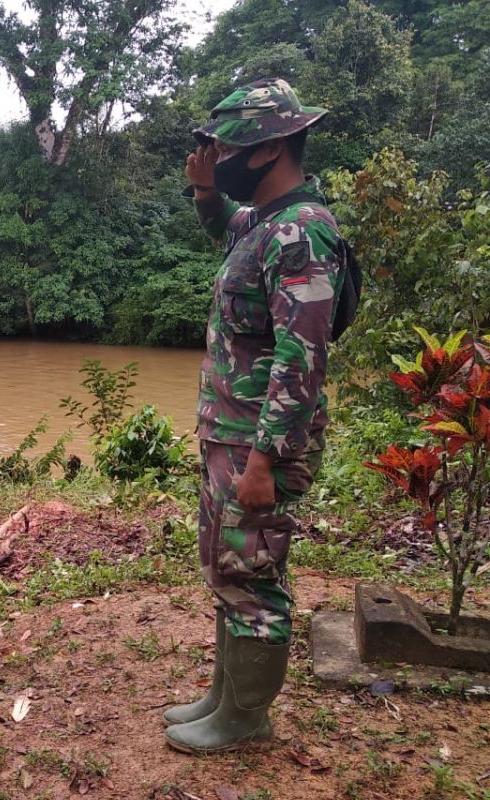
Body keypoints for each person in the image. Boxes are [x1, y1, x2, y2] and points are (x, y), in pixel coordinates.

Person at [164, 78, 344, 754]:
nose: (223, 153)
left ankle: (246, 720)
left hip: (258, 445)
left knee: (252, 578)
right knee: (228, 567)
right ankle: (223, 698)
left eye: (230, 144)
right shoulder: (265, 223)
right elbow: (222, 226)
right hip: (231, 436)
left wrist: (266, 459)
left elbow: (303, 358)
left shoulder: (303, 231)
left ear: (270, 148)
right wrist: (207, 188)